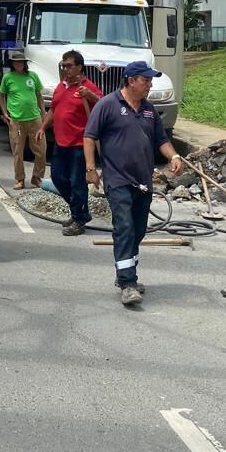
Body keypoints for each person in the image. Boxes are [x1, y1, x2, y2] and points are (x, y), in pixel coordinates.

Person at [83, 61, 185, 307]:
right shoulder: (107, 105)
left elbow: (161, 139)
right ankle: (128, 283)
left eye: (150, 81)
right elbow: (89, 136)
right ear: (131, 80)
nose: (150, 85)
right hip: (117, 179)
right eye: (146, 80)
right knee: (125, 228)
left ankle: (124, 272)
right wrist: (90, 169)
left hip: (143, 181)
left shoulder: (149, 111)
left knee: (137, 231)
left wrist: (173, 156)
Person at [37, 50, 102, 236]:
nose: (65, 69)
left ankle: (79, 220)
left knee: (77, 182)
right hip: (61, 142)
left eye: (69, 66)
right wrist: (43, 127)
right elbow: (54, 109)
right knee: (57, 178)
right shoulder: (61, 86)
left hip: (80, 144)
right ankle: (80, 211)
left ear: (79, 67)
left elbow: (104, 105)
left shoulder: (87, 87)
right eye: (63, 66)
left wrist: (90, 96)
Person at [0, 50, 46, 190]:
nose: (19, 64)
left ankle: (37, 177)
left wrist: (43, 112)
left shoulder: (33, 76)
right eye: (16, 62)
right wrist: (5, 112)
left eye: (21, 62)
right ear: (13, 64)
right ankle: (19, 179)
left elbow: (39, 95)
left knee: (41, 150)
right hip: (17, 120)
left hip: (34, 118)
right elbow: (2, 95)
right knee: (18, 151)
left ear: (25, 64)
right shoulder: (8, 78)